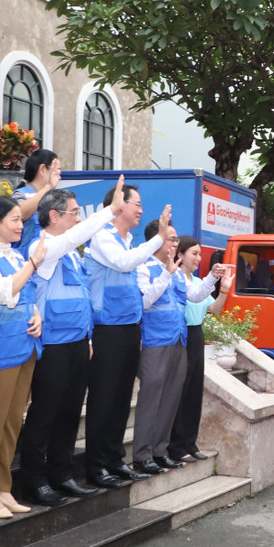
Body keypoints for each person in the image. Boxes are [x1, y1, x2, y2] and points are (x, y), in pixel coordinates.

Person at [17, 182, 123, 506]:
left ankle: (62, 475)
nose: (78, 220)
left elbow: (81, 296)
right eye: (75, 213)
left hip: (76, 342)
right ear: (54, 215)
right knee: (45, 412)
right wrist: (110, 210)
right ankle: (34, 479)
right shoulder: (43, 247)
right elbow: (74, 238)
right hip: (52, 344)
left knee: (69, 412)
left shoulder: (72, 256)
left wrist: (88, 336)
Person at [83, 183, 171, 488]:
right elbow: (123, 263)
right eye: (136, 203)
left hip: (130, 328)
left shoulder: (129, 240)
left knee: (121, 399)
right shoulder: (102, 238)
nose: (141, 210)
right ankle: (95, 465)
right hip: (106, 330)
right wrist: (158, 237)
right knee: (104, 399)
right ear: (119, 204)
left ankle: (114, 459)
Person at [0, 196, 46, 518]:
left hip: (24, 347)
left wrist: (38, 315)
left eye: (21, 219)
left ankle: (4, 488)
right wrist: (32, 264)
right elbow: (4, 292)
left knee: (13, 421)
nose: (20, 225)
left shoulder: (16, 256)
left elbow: (27, 296)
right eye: (14, 220)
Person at [130, 223, 223, 474]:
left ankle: (160, 451)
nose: (175, 244)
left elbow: (194, 295)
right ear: (155, 241)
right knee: (151, 399)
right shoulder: (143, 267)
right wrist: (166, 275)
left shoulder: (177, 272)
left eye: (174, 240)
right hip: (154, 342)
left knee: (171, 398)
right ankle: (142, 455)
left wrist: (213, 276)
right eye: (170, 239)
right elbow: (144, 301)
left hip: (178, 340)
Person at [169, 239, 232, 464]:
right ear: (181, 254)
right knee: (180, 391)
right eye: (194, 253)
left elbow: (214, 309)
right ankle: (175, 445)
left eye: (200, 254)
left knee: (195, 392)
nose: (198, 258)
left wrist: (224, 288)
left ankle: (189, 443)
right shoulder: (175, 278)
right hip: (180, 335)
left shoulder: (198, 282)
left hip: (196, 336)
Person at [9, 149, 61, 252]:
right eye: (56, 169)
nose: (59, 176)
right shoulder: (21, 194)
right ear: (42, 169)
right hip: (27, 257)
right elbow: (20, 213)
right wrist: (48, 187)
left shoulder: (53, 198)